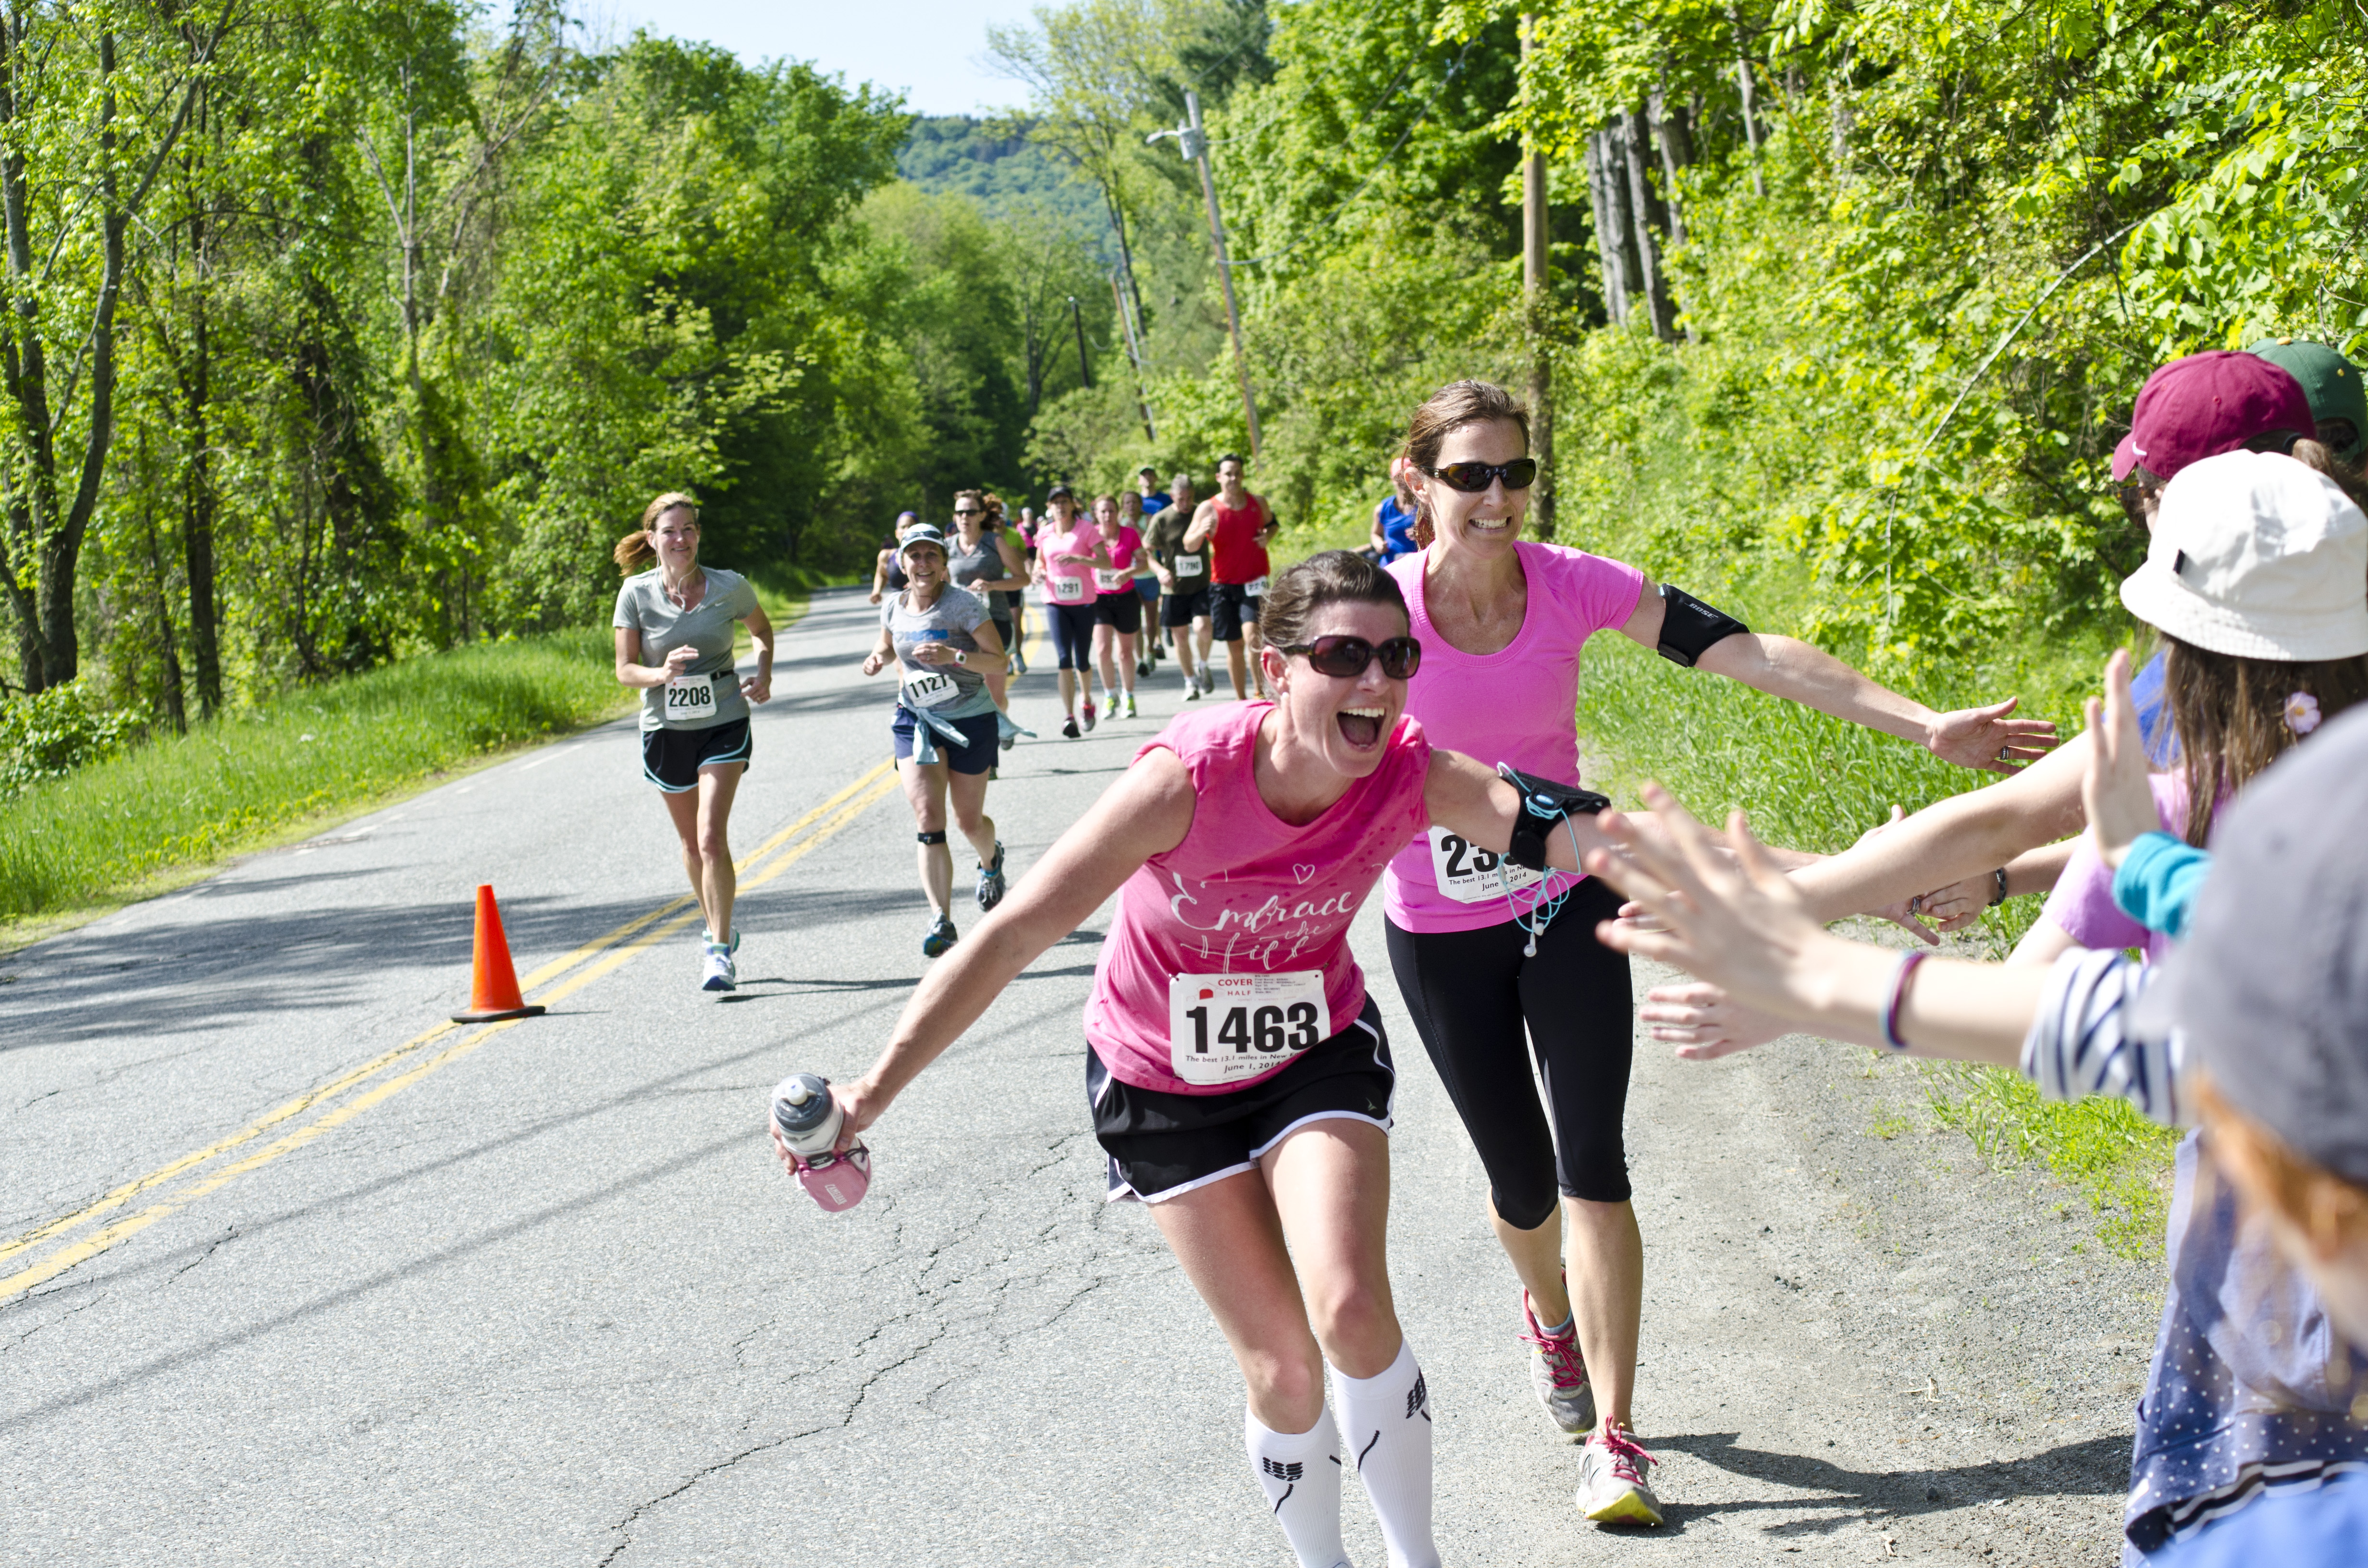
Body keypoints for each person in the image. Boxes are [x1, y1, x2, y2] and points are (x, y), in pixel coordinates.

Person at [785, 551, 1640, 1568]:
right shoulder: (1184, 780)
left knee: (1354, 1311)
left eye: (1396, 657)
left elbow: (1594, 840)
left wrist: (1831, 884)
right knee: (1284, 1371)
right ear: (1277, 671)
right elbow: (1014, 934)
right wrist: (872, 1091)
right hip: (1159, 1080)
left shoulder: (1412, 772)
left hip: (1312, 1053)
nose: (1376, 682)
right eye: (1343, 656)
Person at [1597, 448, 2368, 1560]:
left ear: (2188, 659)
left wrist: (1808, 978)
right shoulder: (2204, 832)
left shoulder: (2204, 878)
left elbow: (2060, 1013)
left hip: (2273, 1323)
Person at [1371, 379, 2059, 1527]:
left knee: (1593, 1161)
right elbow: (1315, 762)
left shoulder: (1572, 581)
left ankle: (1617, 1438)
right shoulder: (1383, 617)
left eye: (1516, 472)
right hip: (1442, 931)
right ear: (1416, 483)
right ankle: (1550, 1320)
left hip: (1575, 898)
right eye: (1469, 476)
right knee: (1522, 1184)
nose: (1498, 499)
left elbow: (1751, 652)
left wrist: (1923, 724)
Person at [610, 492, 775, 992]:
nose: (680, 539)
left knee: (710, 837)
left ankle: (719, 952)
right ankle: (715, 927)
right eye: (669, 531)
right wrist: (660, 673)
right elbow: (624, 670)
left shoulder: (730, 586)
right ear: (652, 539)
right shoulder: (635, 595)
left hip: (723, 718)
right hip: (665, 729)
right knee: (689, 845)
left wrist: (763, 674)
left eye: (688, 529)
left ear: (698, 535)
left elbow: (762, 632)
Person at [862, 523, 1011, 957]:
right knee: (929, 817)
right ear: (902, 564)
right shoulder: (894, 605)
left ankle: (990, 861)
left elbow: (998, 661)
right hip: (916, 719)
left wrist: (955, 657)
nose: (922, 564)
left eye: (931, 556)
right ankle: (941, 919)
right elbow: (889, 645)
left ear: (944, 564)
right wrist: (877, 658)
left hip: (970, 719)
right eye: (915, 556)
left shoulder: (963, 605)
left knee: (968, 822)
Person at [1185, 453, 1282, 701]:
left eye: (1238, 472)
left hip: (1254, 581)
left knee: (1253, 637)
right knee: (1235, 645)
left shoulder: (1257, 502)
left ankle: (1259, 693)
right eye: (1228, 473)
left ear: (1243, 474)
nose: (1233, 478)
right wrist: (1201, 533)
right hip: (1223, 586)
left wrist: (1268, 536)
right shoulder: (1209, 508)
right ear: (1219, 477)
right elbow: (1189, 544)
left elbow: (1273, 525)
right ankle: (1241, 700)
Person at [1034, 486, 1109, 737]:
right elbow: (1040, 561)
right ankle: (1069, 716)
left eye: (1064, 501)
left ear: (1072, 504)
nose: (1060, 506)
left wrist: (1079, 560)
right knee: (1064, 660)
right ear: (1049, 506)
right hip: (1055, 602)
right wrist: (1038, 571)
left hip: (1084, 602)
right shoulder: (1044, 533)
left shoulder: (1086, 530)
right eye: (1056, 502)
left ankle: (1086, 701)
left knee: (1082, 660)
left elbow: (1105, 561)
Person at [945, 490, 1028, 707]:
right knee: (964, 687)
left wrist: (992, 586)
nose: (965, 517)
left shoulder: (995, 542)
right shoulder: (947, 547)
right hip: (960, 624)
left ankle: (1001, 722)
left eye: (971, 512)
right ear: (954, 516)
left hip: (994, 620)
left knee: (994, 691)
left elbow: (1023, 579)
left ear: (982, 515)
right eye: (960, 512)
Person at [1149, 470, 1216, 699]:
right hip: (1174, 588)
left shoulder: (1202, 512)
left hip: (1201, 584)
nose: (1186, 504)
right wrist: (1160, 571)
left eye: (1189, 498)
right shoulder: (1162, 519)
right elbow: (1146, 552)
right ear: (1172, 496)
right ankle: (1189, 682)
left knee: (1203, 629)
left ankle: (1204, 666)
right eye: (1181, 499)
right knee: (1180, 638)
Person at [1086, 494, 1147, 719]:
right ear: (1096, 514)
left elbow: (1144, 563)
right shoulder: (1091, 536)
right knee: (1102, 649)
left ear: (1118, 512)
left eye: (1112, 511)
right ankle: (1110, 695)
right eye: (1103, 511)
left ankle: (1129, 696)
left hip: (1126, 598)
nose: (1108, 515)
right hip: (1100, 599)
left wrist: (1128, 572)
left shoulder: (1129, 534)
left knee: (1125, 652)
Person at [1122, 490, 1164, 677]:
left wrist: (1140, 534)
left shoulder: (1150, 520)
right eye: (1127, 503)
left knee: (1151, 619)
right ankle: (1140, 660)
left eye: (1134, 502)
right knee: (1135, 620)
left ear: (1140, 504)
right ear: (1123, 507)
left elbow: (1158, 544)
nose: (1131, 506)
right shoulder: (1121, 524)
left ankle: (1150, 650)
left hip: (1150, 576)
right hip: (1131, 577)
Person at [1369, 463, 1421, 565]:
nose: (1403, 481)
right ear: (1392, 479)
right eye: (1399, 477)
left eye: (1407, 477)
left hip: (1418, 564)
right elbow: (1375, 534)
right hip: (1391, 564)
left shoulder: (1425, 506)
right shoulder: (1382, 509)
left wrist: (1422, 534)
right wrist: (1379, 544)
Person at [870, 511, 921, 604]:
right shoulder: (886, 556)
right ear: (897, 533)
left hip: (924, 607)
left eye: (911, 526)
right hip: (897, 608)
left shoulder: (928, 557)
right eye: (903, 527)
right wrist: (876, 591)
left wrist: (918, 584)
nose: (907, 530)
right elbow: (881, 573)